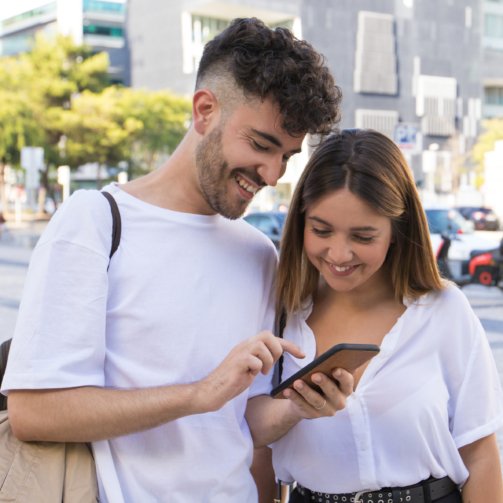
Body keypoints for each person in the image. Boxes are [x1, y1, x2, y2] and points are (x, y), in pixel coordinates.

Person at [1, 18, 353, 503]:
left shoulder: (259, 254)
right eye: (261, 145)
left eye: (287, 158)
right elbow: (35, 412)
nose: (272, 174)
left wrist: (300, 407)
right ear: (205, 111)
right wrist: (197, 394)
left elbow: (244, 425)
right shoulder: (95, 222)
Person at [267, 129, 503, 502]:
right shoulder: (280, 309)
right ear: (300, 222)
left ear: (397, 230)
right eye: (321, 230)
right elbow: (252, 444)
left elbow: (481, 455)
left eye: (363, 237)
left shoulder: (443, 310)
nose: (339, 254)